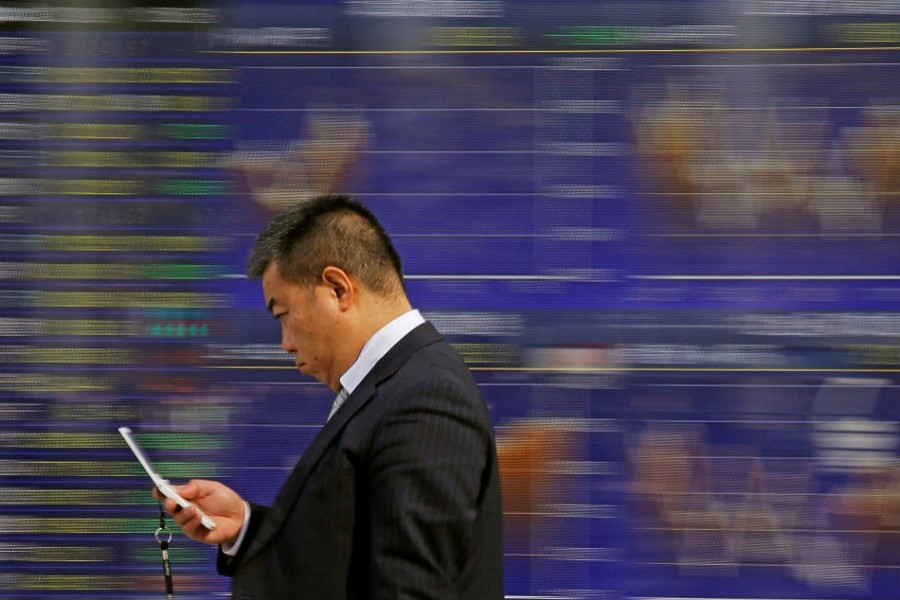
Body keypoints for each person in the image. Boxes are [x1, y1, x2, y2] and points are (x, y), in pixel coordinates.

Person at [156, 194, 504, 599]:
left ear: (338, 289)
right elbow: (354, 557)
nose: (285, 344)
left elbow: (409, 587)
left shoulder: (426, 398)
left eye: (283, 315)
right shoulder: (397, 389)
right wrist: (248, 527)